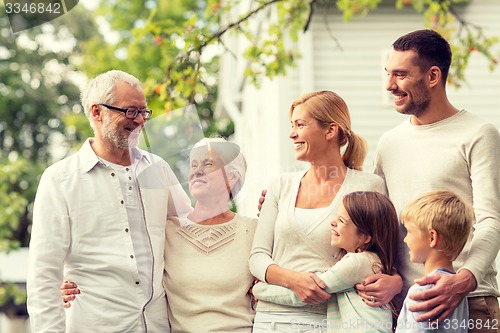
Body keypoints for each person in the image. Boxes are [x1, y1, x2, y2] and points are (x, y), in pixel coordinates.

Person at [27, 70, 191, 332]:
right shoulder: (59, 180)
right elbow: (43, 277)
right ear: (96, 112)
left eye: (144, 112)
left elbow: (192, 233)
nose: (139, 120)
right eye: (129, 111)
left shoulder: (158, 169)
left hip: (160, 326)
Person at [368, 29, 500, 331]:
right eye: (388, 74)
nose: (390, 85)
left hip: (472, 299)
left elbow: (491, 219)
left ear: (433, 76)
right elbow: (378, 220)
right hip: (408, 303)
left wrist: (463, 280)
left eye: (401, 75)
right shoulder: (390, 142)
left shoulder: (479, 134)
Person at [62, 137, 258, 332]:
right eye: (193, 164)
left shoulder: (254, 230)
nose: (197, 170)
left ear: (232, 178)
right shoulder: (165, 231)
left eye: (208, 164)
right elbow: (118, 262)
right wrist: (71, 282)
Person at [248, 90, 402, 332]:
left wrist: (396, 282)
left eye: (300, 125)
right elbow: (257, 257)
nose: (292, 134)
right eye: (292, 125)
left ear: (330, 130)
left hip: (331, 320)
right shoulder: (280, 186)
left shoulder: (368, 186)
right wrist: (293, 280)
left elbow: (382, 254)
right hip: (272, 319)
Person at [252, 191, 399, 333]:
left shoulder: (357, 263)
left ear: (366, 237)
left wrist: (259, 290)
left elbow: (310, 291)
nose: (332, 222)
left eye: (341, 221)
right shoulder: (372, 262)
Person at [396, 190, 473, 332]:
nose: (405, 239)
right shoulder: (459, 295)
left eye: (409, 231)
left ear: (432, 237)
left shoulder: (423, 291)